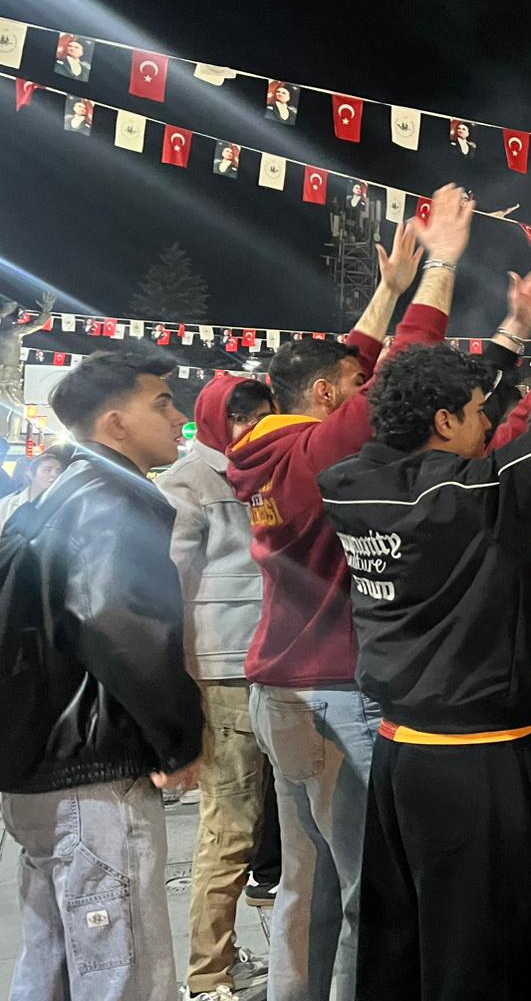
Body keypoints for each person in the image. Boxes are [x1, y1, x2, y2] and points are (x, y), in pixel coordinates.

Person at [316, 246, 531, 1001]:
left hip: (403, 754)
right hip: (473, 765)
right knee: (480, 956)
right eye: (480, 414)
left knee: (408, 945)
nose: (490, 427)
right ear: (446, 421)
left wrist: (513, 333)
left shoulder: (357, 479)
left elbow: (437, 408)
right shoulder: (467, 502)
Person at [226, 193, 465, 1001]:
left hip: (277, 690)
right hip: (332, 695)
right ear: (328, 396)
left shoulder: (266, 451)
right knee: (372, 887)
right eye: (349, 384)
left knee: (306, 882)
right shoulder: (310, 460)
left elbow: (349, 369)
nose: (364, 385)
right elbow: (397, 379)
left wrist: (388, 290)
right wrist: (442, 265)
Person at [0, 348, 204, 1000]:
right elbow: (120, 621)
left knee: (54, 959)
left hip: (41, 767)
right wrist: (179, 740)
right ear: (115, 423)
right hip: (92, 775)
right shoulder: (111, 498)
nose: (178, 418)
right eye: (161, 403)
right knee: (122, 969)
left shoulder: (57, 493)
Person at [159, 374, 278, 1001]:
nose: (249, 425)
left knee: (279, 825)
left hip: (278, 664)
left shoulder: (270, 471)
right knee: (230, 825)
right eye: (237, 414)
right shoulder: (189, 482)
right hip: (225, 671)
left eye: (260, 412)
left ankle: (241, 959)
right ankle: (207, 975)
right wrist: (178, 685)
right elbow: (166, 588)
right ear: (211, 417)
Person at [0, 444, 68, 533]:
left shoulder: (66, 505)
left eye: (58, 471)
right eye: (47, 470)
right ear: (32, 474)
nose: (54, 475)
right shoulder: (7, 505)